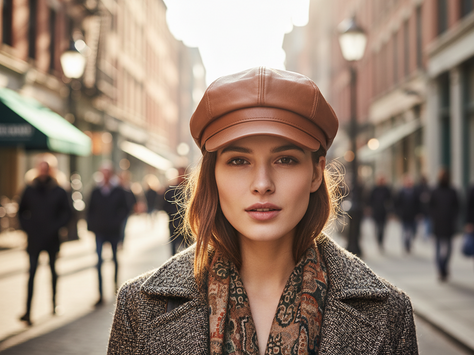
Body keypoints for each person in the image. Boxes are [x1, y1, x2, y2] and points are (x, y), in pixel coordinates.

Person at [107, 68, 417, 354]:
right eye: (239, 161)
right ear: (212, 175)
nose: (262, 184)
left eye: (285, 160)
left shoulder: (389, 312)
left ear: (315, 173)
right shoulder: (139, 306)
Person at [17, 159, 72, 325]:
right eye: (41, 169)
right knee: (32, 273)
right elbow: (21, 213)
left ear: (51, 171)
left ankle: (54, 304)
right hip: (34, 239)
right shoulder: (29, 189)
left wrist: (56, 227)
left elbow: (67, 214)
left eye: (46, 169)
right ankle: (27, 311)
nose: (43, 172)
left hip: (52, 239)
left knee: (53, 272)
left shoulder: (59, 190)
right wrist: (28, 228)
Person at [87, 162, 128, 305]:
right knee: (98, 262)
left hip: (113, 231)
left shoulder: (118, 190)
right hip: (99, 232)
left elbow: (125, 209)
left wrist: (117, 222)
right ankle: (100, 294)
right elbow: (89, 210)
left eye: (107, 172)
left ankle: (116, 287)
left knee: (115, 259)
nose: (105, 175)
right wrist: (92, 226)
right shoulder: (95, 190)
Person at [429, 169, 459, 282]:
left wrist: (453, 218)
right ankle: (441, 270)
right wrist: (435, 217)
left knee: (449, 249)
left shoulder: (453, 191)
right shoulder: (435, 191)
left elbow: (457, 206)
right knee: (437, 248)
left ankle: (444, 266)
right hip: (438, 224)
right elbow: (430, 207)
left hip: (449, 224)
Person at [161, 167, 189, 255]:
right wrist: (172, 214)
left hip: (188, 225)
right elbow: (164, 205)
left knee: (188, 251)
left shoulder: (192, 189)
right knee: (173, 251)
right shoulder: (171, 189)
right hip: (174, 224)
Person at [395, 175, 420, 254]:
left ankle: (409, 243)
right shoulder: (401, 192)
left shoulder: (415, 191)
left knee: (413, 231)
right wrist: (398, 213)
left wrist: (419, 213)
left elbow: (418, 203)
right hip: (404, 215)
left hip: (413, 215)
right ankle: (406, 245)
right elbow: (397, 203)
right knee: (405, 231)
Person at [367, 175, 392, 252]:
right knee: (377, 228)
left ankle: (381, 242)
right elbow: (369, 199)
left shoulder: (387, 189)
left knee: (383, 228)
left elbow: (390, 200)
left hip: (384, 213)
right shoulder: (374, 189)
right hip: (376, 212)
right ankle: (378, 242)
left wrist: (390, 211)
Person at [118, 171, 137, 247]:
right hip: (117, 213)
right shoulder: (117, 188)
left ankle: (121, 241)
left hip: (125, 212)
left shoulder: (128, 188)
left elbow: (133, 199)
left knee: (123, 228)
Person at [415, 175, 431, 240]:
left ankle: (425, 236)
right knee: (421, 224)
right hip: (421, 210)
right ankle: (422, 235)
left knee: (426, 223)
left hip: (426, 210)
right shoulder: (418, 188)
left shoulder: (428, 188)